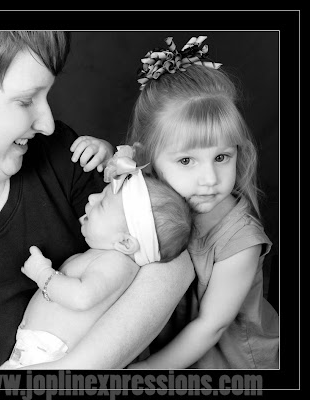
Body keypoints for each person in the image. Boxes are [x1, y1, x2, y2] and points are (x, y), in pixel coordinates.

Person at [0, 31, 195, 369]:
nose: (47, 124)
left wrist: (73, 371)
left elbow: (170, 257)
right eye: (26, 100)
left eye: (46, 94)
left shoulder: (62, 153)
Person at [75, 35, 279, 369]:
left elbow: (210, 327)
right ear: (147, 158)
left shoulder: (241, 242)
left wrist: (147, 370)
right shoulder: (150, 190)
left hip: (228, 361)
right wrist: (102, 154)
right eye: (186, 161)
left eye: (222, 157)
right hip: (165, 346)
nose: (209, 178)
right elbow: (119, 183)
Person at [0, 146, 193, 369]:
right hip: (37, 351)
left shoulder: (117, 263)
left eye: (101, 204)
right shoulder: (104, 256)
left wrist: (43, 274)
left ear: (125, 243)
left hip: (48, 356)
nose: (92, 197)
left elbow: (82, 297)